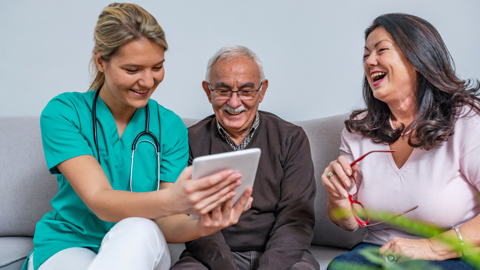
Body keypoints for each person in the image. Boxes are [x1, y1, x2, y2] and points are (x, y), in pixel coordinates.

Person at [23, 4, 252, 270]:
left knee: (138, 226)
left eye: (157, 67)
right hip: (68, 244)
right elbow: (99, 199)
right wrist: (172, 200)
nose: (147, 81)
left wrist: (202, 224)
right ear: (101, 61)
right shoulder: (64, 113)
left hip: (141, 245)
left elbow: (166, 223)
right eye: (132, 70)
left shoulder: (169, 126)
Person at [322, 13, 480, 269]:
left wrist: (429, 248)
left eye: (381, 50)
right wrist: (337, 197)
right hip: (379, 250)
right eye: (365, 54)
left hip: (453, 254)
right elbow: (348, 223)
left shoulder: (466, 119)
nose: (369, 61)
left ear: (418, 57)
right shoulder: (359, 129)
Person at [171, 45, 319, 270]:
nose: (234, 102)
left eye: (245, 91)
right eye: (223, 90)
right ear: (207, 91)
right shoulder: (189, 141)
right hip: (212, 258)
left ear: (262, 91)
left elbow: (296, 218)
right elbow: (193, 219)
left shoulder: (291, 138)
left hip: (280, 256)